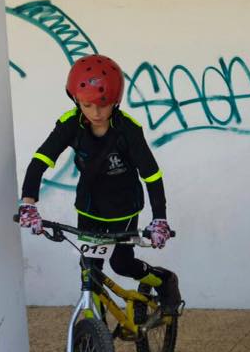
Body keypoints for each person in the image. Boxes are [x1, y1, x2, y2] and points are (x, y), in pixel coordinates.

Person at [17, 54, 181, 314]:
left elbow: (151, 175)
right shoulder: (70, 124)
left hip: (124, 207)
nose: (95, 113)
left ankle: (162, 280)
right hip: (89, 207)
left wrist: (159, 218)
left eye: (103, 105)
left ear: (115, 101)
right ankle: (95, 331)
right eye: (87, 105)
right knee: (90, 269)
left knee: (121, 265)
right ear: (75, 100)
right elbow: (40, 160)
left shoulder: (128, 129)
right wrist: (28, 204)